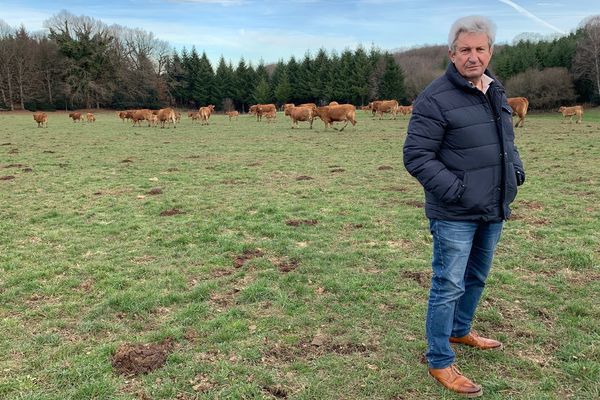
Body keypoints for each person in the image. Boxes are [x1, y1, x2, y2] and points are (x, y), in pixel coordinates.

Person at [403, 15, 525, 397]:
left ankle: (460, 330)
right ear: (452, 54)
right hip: (455, 212)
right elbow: (416, 156)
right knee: (448, 283)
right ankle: (439, 360)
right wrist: (456, 192)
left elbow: (506, 140)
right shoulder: (435, 98)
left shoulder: (495, 91)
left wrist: (516, 171)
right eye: (465, 50)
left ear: (490, 51)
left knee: (476, 277)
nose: (473, 57)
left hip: (494, 205)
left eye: (480, 49)